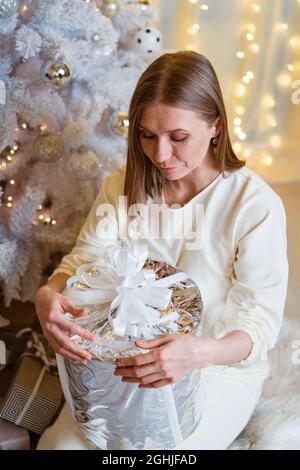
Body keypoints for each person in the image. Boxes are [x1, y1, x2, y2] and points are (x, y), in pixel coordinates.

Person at [35, 51, 288, 450]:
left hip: (215, 367)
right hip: (123, 361)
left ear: (216, 126)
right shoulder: (121, 185)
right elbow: (84, 261)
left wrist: (198, 353)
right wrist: (49, 293)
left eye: (179, 138)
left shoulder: (255, 205)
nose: (160, 155)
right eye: (147, 135)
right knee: (60, 447)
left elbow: (259, 326)